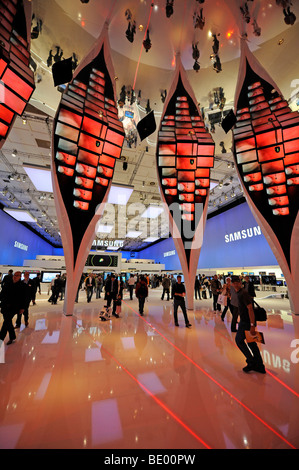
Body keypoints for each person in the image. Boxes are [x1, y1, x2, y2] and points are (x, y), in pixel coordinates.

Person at [231, 276, 265, 374]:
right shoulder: (239, 293)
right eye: (234, 282)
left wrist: (252, 325)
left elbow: (250, 309)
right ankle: (260, 366)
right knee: (252, 344)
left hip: (246, 323)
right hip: (245, 321)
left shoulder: (243, 293)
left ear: (240, 283)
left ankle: (251, 361)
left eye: (237, 282)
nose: (235, 284)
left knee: (239, 341)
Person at [0, 271, 26, 345]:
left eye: (17, 275)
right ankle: (12, 336)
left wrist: (22, 308)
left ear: (20, 277)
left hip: (14, 308)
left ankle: (1, 339)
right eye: (14, 275)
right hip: (4, 306)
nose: (15, 276)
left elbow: (24, 298)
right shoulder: (8, 283)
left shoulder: (22, 286)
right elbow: (2, 294)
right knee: (8, 322)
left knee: (6, 322)